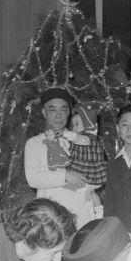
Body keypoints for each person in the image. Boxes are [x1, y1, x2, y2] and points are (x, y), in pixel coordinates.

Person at [25, 87, 99, 228]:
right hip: (51, 217)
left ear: (69, 112)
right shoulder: (34, 143)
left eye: (63, 109)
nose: (58, 116)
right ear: (44, 113)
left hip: (82, 214)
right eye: (52, 110)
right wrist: (66, 176)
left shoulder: (80, 140)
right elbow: (33, 178)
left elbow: (96, 171)